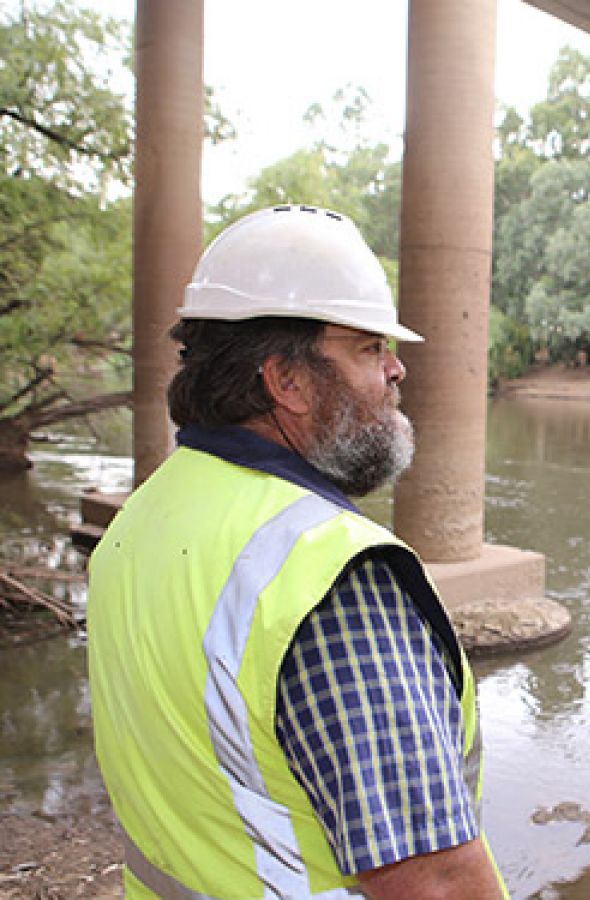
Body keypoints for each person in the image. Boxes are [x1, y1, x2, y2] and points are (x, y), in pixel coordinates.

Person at [87, 205, 508, 899]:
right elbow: (434, 882)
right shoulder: (330, 581)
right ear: (288, 381)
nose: (398, 369)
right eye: (371, 348)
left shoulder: (142, 520)